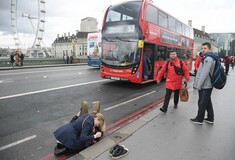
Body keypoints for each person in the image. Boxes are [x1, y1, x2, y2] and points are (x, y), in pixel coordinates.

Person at [190, 42, 216, 125]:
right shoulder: (210, 57)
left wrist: (198, 85)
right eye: (202, 48)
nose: (203, 50)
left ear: (209, 49)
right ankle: (210, 118)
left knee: (201, 102)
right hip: (208, 84)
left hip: (205, 85)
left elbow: (203, 74)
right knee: (207, 102)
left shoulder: (208, 59)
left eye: (205, 48)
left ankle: (199, 119)